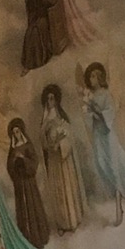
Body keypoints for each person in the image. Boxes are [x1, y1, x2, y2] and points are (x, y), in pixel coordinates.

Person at [82, 62, 125, 224]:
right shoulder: (90, 97)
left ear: (100, 77)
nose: (93, 79)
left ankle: (119, 206)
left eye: (95, 76)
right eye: (90, 76)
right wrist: (90, 112)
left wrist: (97, 111)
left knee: (112, 164)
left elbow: (109, 114)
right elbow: (88, 119)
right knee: (101, 163)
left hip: (107, 134)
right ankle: (116, 193)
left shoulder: (105, 94)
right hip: (98, 134)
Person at [40, 82, 85, 233]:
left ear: (56, 100)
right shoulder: (45, 121)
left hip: (65, 160)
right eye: (48, 99)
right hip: (54, 161)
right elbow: (43, 141)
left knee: (68, 188)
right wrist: (52, 145)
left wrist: (62, 143)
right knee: (58, 190)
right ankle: (62, 223)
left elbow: (70, 135)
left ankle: (73, 220)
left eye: (52, 98)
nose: (50, 101)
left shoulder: (62, 117)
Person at [6, 117, 51, 249]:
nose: (16, 134)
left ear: (21, 132)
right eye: (14, 133)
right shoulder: (13, 149)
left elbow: (35, 161)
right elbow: (9, 166)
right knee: (22, 209)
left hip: (29, 182)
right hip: (19, 183)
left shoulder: (27, 145)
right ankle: (26, 238)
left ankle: (38, 238)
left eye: (17, 131)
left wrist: (23, 159)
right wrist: (14, 161)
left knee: (33, 206)